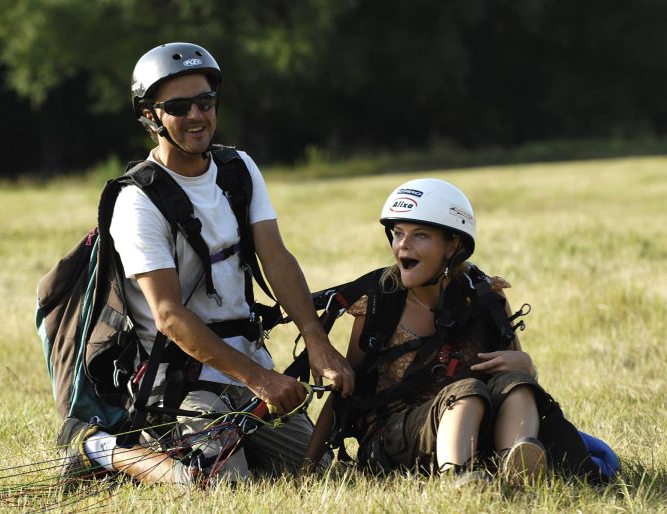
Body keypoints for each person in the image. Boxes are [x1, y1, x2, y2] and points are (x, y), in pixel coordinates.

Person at [58, 42, 354, 486]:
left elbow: (275, 257)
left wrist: (316, 341)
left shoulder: (238, 169)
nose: (197, 115)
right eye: (178, 106)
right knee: (218, 487)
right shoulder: (137, 201)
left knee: (324, 477)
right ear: (150, 116)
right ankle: (100, 449)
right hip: (181, 383)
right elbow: (169, 316)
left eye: (206, 101)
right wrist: (261, 381)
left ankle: (240, 444)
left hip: (249, 368)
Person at [303, 178, 549, 487]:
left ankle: (513, 467)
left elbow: (521, 378)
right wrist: (307, 468)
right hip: (392, 439)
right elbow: (343, 397)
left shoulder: (487, 298)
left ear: (453, 246)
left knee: (516, 382)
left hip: (476, 426)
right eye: (398, 233)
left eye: (420, 235)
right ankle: (457, 479)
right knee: (466, 390)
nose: (403, 245)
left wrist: (527, 365)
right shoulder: (380, 306)